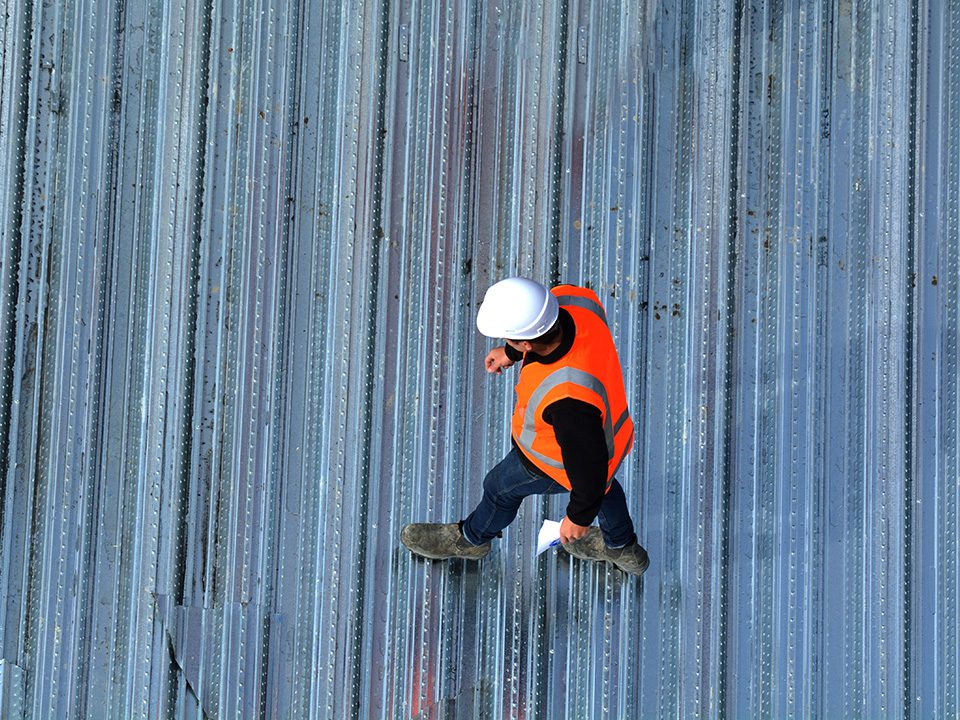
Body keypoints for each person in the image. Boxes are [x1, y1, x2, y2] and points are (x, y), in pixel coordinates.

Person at [400, 277, 648, 575]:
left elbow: (589, 470)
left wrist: (579, 517)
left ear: (528, 342)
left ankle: (471, 540)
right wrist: (511, 353)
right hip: (613, 434)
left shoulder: (568, 400)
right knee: (606, 487)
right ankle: (622, 548)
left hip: (547, 460)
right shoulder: (576, 300)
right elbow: (547, 331)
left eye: (510, 339)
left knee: (499, 489)